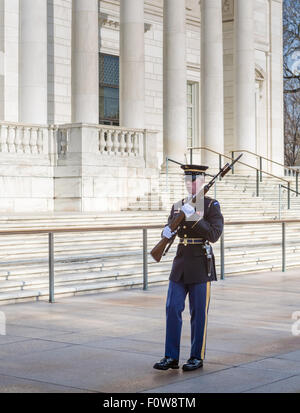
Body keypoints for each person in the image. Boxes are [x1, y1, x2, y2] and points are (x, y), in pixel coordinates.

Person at [153, 164, 224, 371]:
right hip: (180, 263)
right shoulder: (178, 205)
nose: (189, 184)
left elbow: (213, 235)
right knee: (172, 308)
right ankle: (171, 356)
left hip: (201, 263)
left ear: (202, 181)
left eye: (193, 180)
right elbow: (171, 230)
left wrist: (194, 216)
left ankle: (196, 356)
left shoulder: (212, 206)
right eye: (186, 180)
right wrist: (166, 233)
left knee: (198, 312)